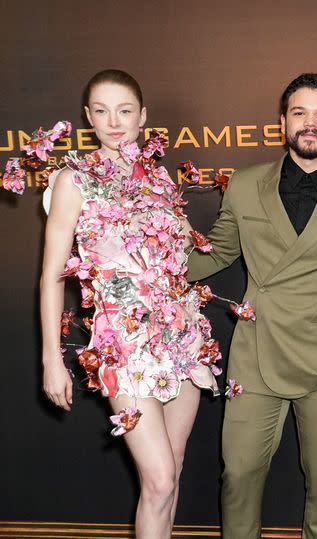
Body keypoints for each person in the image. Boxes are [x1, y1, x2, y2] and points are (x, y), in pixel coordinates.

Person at [40, 69, 220, 538]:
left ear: (143, 116)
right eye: (101, 111)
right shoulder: (73, 181)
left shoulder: (159, 179)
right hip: (123, 345)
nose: (113, 121)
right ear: (87, 117)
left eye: (124, 111)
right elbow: (51, 274)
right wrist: (51, 359)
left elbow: (176, 258)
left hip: (181, 336)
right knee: (158, 478)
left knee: (173, 471)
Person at [185, 73, 317, 539]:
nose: (310, 124)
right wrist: (148, 262)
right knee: (238, 475)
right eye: (300, 113)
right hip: (255, 352)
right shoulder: (243, 184)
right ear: (283, 122)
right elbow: (218, 252)